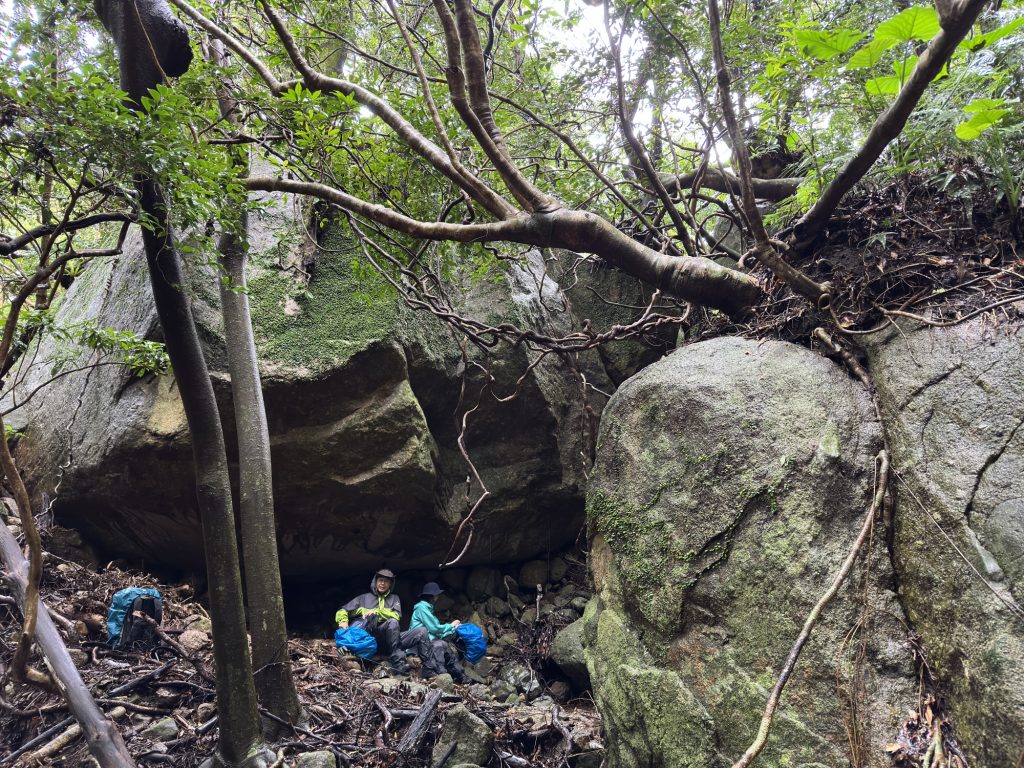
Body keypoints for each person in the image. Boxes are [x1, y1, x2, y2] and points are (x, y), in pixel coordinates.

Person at [336, 569, 436, 677]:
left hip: (392, 641)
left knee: (422, 631)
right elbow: (343, 610)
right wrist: (343, 621)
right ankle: (398, 664)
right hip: (371, 641)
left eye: (386, 581)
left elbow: (396, 615)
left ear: (391, 584)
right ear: (375, 581)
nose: (382, 583)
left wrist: (377, 611)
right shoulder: (364, 598)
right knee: (389, 622)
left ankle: (428, 670)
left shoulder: (394, 598)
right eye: (380, 580)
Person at [409, 582, 467, 683]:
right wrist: (451, 625)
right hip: (417, 646)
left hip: (427, 641)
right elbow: (435, 628)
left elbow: (436, 633)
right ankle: (442, 676)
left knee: (445, 646)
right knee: (439, 645)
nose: (437, 598)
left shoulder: (427, 609)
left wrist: (454, 629)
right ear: (432, 596)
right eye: (436, 595)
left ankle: (460, 675)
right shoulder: (422, 608)